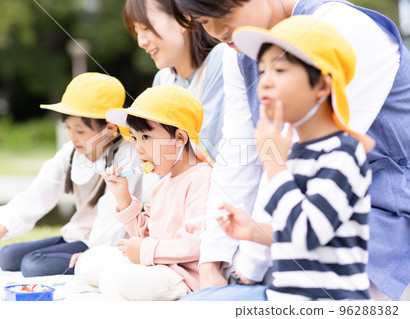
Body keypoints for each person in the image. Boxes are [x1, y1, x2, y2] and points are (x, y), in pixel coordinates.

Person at [172, 0, 410, 300]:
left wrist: (245, 274)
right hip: (295, 223)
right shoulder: (240, 49)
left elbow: (295, 163)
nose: (218, 31)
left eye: (222, 12)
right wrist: (212, 262)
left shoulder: (340, 29)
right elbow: (238, 156)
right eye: (204, 22)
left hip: (383, 219)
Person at [0, 72, 142, 277]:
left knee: (33, 265)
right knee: (7, 256)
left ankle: (97, 267)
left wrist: (93, 256)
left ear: (109, 128)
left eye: (79, 131)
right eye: (68, 127)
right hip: (78, 236)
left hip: (107, 243)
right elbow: (39, 193)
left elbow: (111, 220)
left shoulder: (125, 155)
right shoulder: (71, 152)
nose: (71, 136)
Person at [74, 84, 213, 300]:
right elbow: (146, 236)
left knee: (114, 281)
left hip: (182, 277)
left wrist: (146, 251)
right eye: (135, 138)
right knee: (86, 264)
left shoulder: (201, 177)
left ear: (180, 138)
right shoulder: (162, 183)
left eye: (146, 137)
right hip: (156, 264)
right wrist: (123, 197)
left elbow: (199, 243)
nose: (138, 148)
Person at [123, 0, 226, 161]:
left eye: (146, 27)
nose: (141, 42)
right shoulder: (162, 80)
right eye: (137, 32)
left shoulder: (221, 59)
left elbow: (205, 150)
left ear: (182, 18)